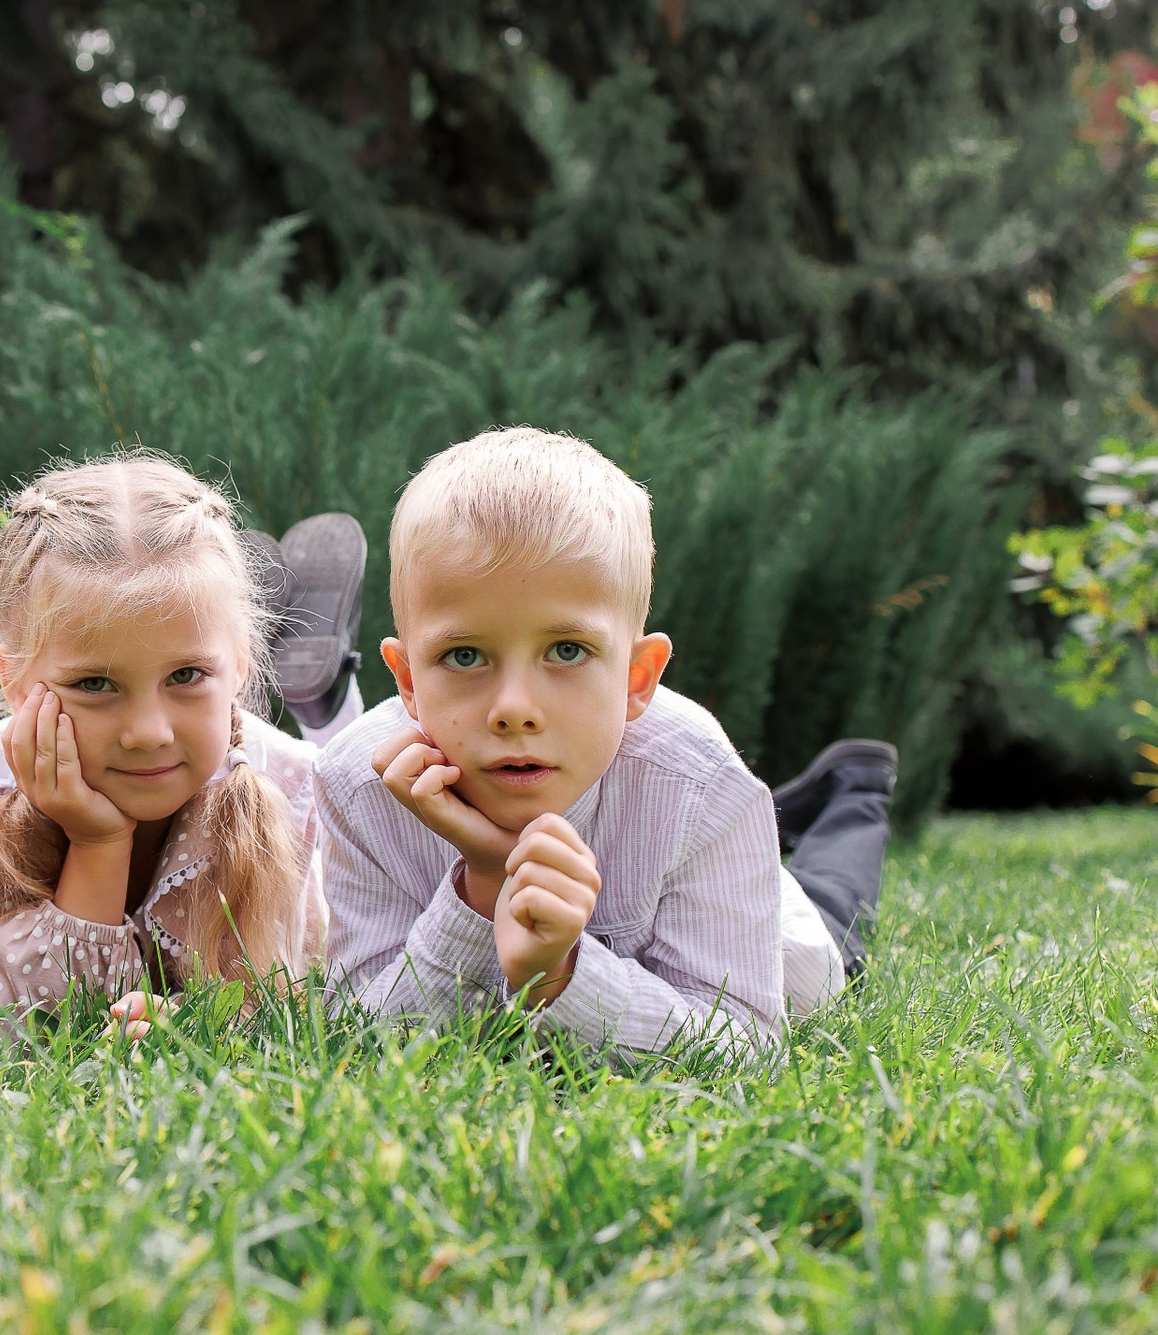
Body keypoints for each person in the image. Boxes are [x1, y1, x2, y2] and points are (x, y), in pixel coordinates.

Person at [319, 427, 887, 1057]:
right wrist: (484, 885)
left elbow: (747, 1049)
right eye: (464, 655)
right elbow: (358, 1038)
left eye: (567, 650)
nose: (513, 710)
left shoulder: (702, 786)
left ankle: (854, 792)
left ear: (635, 679)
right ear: (407, 681)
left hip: (782, 927)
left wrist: (558, 977)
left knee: (831, 925)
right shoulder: (357, 782)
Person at [0, 454, 329, 1035]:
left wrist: (199, 1026)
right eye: (94, 684)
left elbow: (303, 1003)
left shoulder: (295, 793)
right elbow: (9, 1029)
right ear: (16, 683)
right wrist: (97, 842)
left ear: (241, 666)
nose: (148, 732)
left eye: (186, 676)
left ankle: (333, 704)